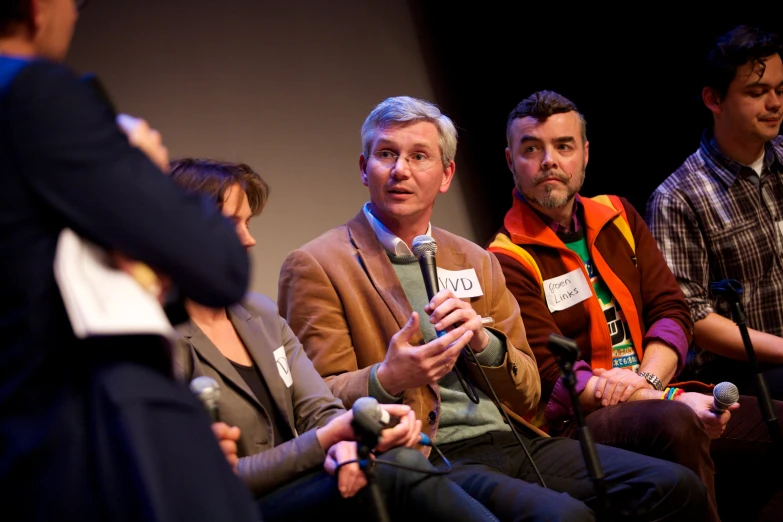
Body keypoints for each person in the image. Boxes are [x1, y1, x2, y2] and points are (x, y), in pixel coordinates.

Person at [277, 95, 709, 521]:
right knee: (565, 517)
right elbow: (317, 402)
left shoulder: (474, 259)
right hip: (432, 453)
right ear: (363, 168)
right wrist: (387, 376)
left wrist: (486, 344)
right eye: (386, 154)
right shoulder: (318, 264)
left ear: (446, 174)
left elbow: (529, 391)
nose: (400, 170)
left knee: (673, 487)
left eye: (419, 156)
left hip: (514, 437)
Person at [0, 1, 258, 520]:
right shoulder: (36, 93)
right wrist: (145, 169)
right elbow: (220, 265)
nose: (75, 14)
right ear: (36, 8)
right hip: (99, 436)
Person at [488, 88, 783, 522]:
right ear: (511, 161)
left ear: (584, 155)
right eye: (531, 149)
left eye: (563, 146)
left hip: (658, 386)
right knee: (675, 423)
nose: (549, 160)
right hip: (581, 422)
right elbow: (554, 377)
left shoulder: (617, 215)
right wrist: (660, 397)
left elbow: (672, 310)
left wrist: (649, 382)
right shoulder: (504, 258)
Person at [167, 157, 500, 522]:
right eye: (232, 225)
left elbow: (320, 411)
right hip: (237, 508)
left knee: (388, 460)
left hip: (299, 487)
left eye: (248, 223)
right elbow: (211, 478)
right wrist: (329, 442)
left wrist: (361, 433)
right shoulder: (160, 340)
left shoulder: (258, 314)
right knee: (397, 468)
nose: (249, 239)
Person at [646, 25, 783, 401]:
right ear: (714, 99)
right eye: (757, 92)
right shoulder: (678, 197)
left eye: (780, 90)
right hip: (739, 372)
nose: (774, 103)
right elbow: (693, 315)